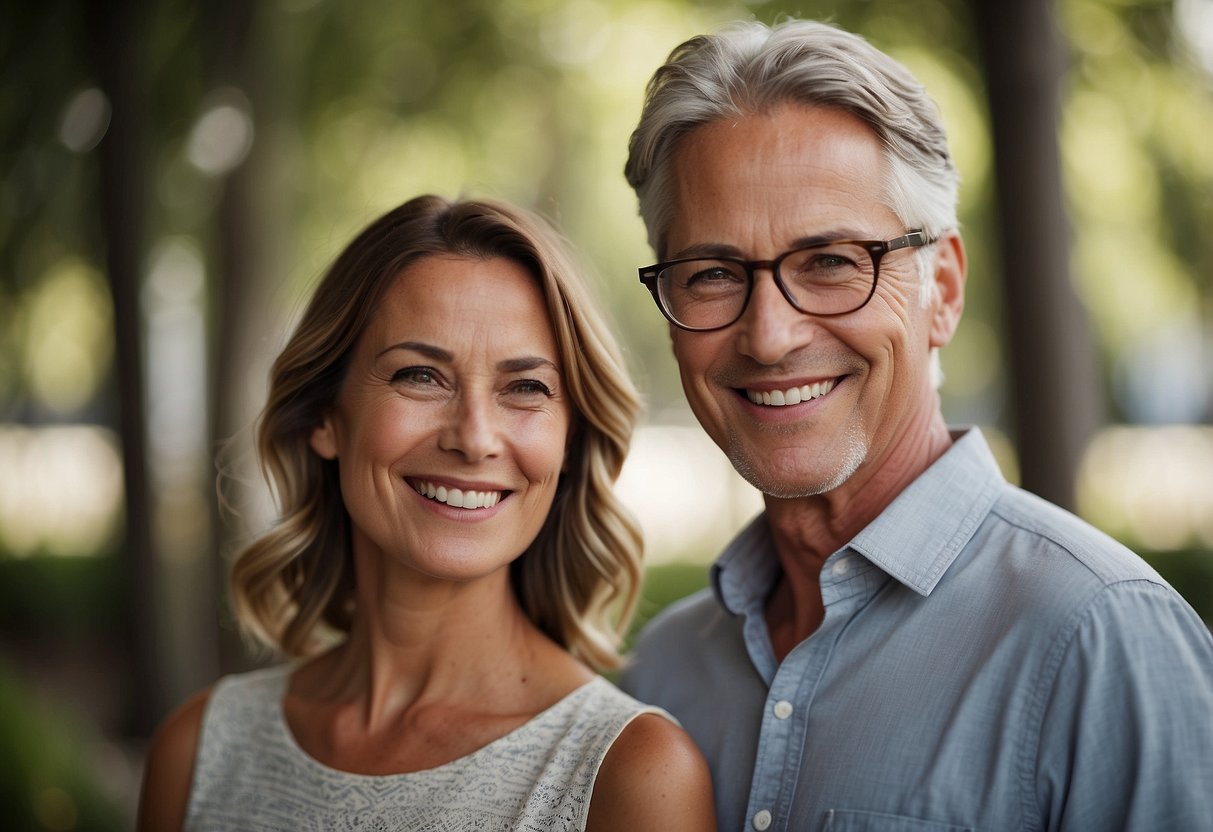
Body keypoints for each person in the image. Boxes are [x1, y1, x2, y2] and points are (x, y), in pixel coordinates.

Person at [619, 18, 1213, 832]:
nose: (769, 335)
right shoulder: (660, 675)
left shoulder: (1100, 639)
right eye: (714, 273)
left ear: (943, 288)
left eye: (830, 262)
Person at [136, 194, 716, 832]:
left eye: (525, 387)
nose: (473, 437)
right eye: (419, 376)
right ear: (325, 416)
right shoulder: (198, 752)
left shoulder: (631, 775)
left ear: (570, 440)